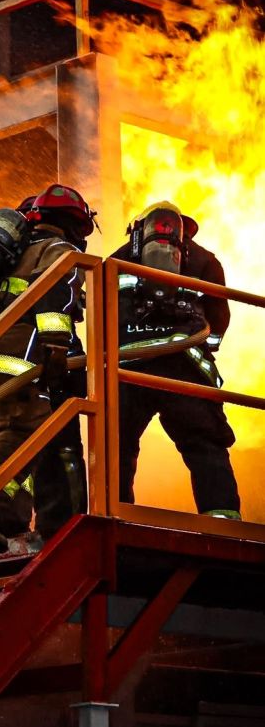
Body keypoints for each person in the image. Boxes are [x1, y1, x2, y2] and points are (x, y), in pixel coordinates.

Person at [0, 184, 97, 552]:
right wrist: (56, 347)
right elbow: (54, 298)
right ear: (76, 225)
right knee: (25, 432)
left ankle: (9, 524)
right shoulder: (58, 252)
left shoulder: (3, 258)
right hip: (19, 360)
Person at [113, 201, 241, 519]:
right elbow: (219, 316)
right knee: (204, 445)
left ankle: (115, 513)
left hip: (129, 368)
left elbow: (102, 311)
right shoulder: (206, 260)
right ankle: (222, 521)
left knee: (118, 445)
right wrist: (207, 348)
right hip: (185, 367)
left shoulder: (116, 258)